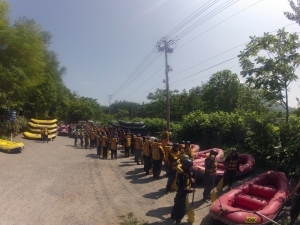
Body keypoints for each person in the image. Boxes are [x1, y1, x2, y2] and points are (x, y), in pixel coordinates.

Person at [171, 158, 195, 225]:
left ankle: (173, 215)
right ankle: (178, 220)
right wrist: (191, 191)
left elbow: (188, 176)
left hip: (179, 194)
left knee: (176, 205)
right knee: (182, 209)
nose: (190, 168)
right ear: (187, 167)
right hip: (181, 194)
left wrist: (191, 179)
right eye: (190, 166)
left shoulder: (184, 172)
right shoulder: (181, 177)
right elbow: (183, 190)